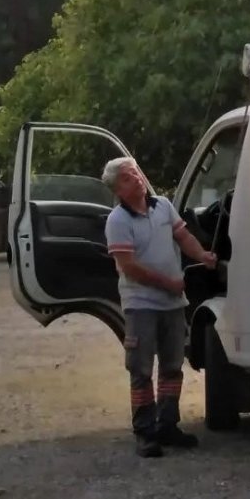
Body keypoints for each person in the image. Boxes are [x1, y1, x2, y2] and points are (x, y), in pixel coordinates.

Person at [101, 155, 218, 457]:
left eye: (136, 171)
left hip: (172, 304)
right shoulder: (117, 221)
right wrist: (169, 283)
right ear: (118, 189)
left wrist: (202, 255)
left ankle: (168, 425)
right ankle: (145, 432)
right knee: (140, 369)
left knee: (171, 366)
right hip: (141, 305)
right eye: (127, 177)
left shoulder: (163, 206)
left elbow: (183, 236)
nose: (137, 178)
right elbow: (130, 268)